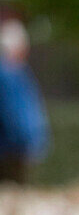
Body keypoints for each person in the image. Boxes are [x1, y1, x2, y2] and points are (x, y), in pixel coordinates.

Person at [0, 19, 49, 183]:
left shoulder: (16, 71)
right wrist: (26, 143)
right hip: (13, 152)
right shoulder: (8, 73)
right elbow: (13, 114)